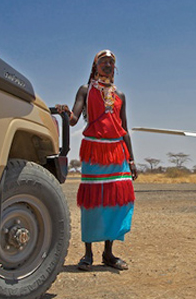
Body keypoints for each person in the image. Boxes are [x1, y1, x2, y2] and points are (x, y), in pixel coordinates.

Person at [55, 49, 137, 271]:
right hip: (94, 150)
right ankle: (88, 255)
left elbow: (125, 129)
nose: (108, 65)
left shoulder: (120, 95)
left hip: (117, 152)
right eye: (103, 61)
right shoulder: (86, 90)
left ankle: (108, 254)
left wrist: (131, 160)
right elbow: (73, 120)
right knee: (93, 203)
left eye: (111, 62)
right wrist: (65, 112)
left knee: (115, 202)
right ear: (95, 66)